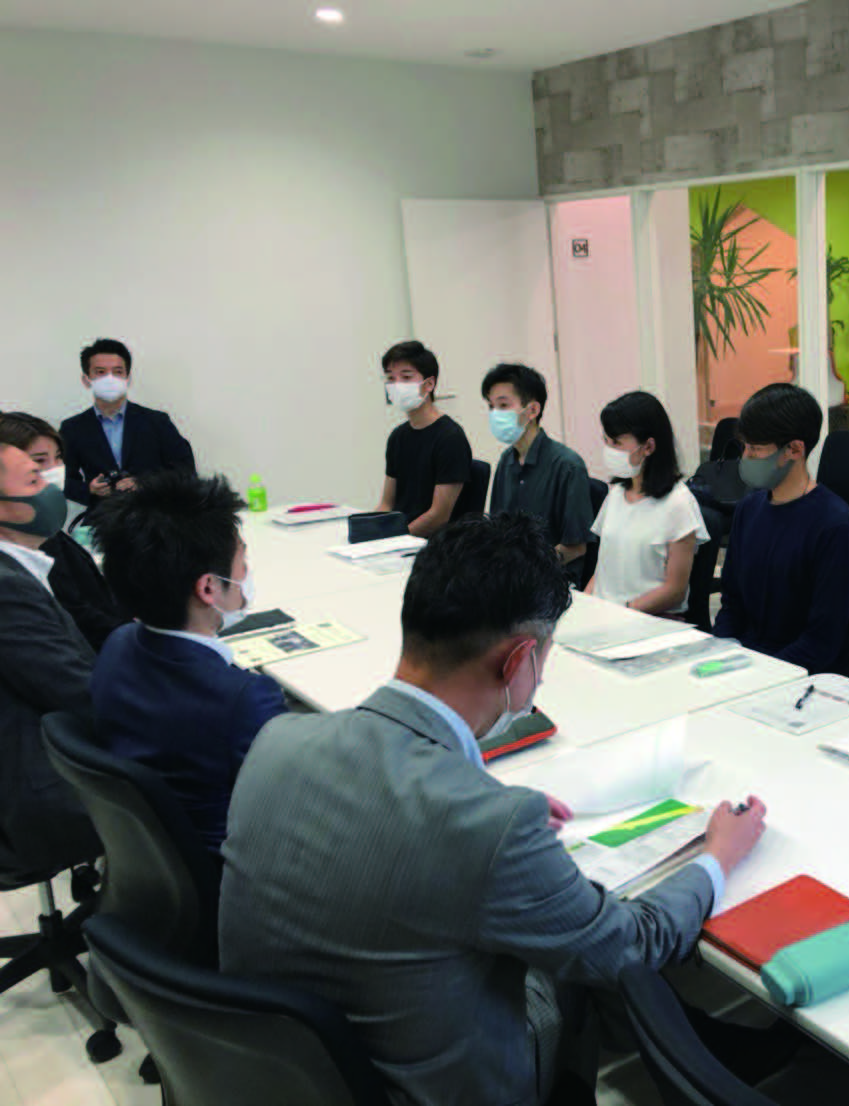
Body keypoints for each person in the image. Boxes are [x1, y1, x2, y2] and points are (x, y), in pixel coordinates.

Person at [218, 513, 767, 1105]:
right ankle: (693, 1057)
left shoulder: (277, 740)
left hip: (279, 1076)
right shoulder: (490, 826)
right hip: (435, 1088)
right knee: (584, 958)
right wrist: (716, 857)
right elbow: (631, 947)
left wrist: (496, 813)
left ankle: (698, 1042)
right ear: (517, 660)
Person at [89, 470, 287, 856]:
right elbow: (292, 800)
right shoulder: (245, 698)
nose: (246, 572)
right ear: (208, 587)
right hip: (231, 870)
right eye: (242, 559)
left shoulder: (117, 645)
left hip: (151, 859)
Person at [0, 434, 101, 875]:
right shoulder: (6, 588)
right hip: (46, 796)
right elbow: (79, 693)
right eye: (34, 480)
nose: (50, 488)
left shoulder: (21, 568)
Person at [713, 384, 849, 674]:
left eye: (756, 449)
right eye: (745, 447)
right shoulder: (749, 509)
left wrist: (762, 675)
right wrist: (722, 653)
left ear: (794, 449)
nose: (746, 457)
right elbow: (732, 604)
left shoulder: (834, 526)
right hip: (747, 665)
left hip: (799, 676)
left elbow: (821, 641)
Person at [1, 414, 128, 650]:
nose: (55, 469)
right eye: (39, 461)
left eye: (58, 458)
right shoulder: (27, 542)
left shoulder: (48, 527)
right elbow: (76, 612)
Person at [586, 391, 709, 614]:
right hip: (608, 617)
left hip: (648, 621)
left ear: (648, 447)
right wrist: (584, 607)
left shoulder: (679, 504)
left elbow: (674, 590)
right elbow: (602, 573)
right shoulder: (615, 495)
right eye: (606, 441)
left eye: (616, 443)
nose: (609, 450)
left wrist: (622, 613)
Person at [60, 338, 196, 508]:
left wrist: (144, 483)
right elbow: (61, 479)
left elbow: (185, 470)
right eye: (100, 372)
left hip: (154, 513)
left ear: (128, 378)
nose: (110, 378)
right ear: (86, 379)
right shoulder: (72, 428)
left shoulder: (157, 421)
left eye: (117, 372)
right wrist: (89, 489)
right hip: (102, 516)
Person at [484, 362, 592, 569]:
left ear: (532, 410)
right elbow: (496, 530)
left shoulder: (567, 466)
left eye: (503, 406)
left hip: (552, 577)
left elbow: (576, 547)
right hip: (510, 574)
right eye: (491, 407)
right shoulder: (506, 460)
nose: (495, 414)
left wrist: (530, 571)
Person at [374, 340, 472, 538]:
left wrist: (397, 538)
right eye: (391, 378)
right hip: (400, 539)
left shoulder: (450, 438)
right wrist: (370, 532)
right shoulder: (398, 437)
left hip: (434, 544)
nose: (396, 385)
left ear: (429, 384)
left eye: (406, 377)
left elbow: (438, 516)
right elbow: (386, 504)